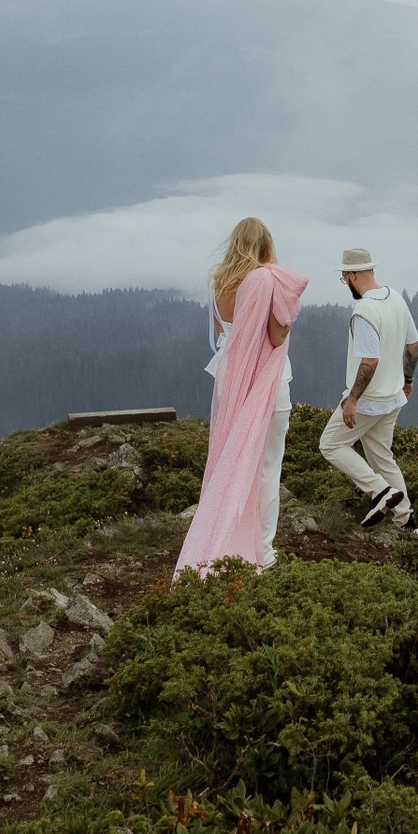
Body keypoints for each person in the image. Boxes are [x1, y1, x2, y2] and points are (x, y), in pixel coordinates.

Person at [175, 217, 306, 574]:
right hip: (266, 383)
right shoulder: (264, 281)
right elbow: (276, 337)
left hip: (229, 381)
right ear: (265, 246)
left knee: (229, 462)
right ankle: (261, 547)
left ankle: (225, 534)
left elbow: (225, 336)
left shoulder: (218, 283)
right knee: (266, 468)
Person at [317, 246, 418, 529]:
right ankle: (406, 520)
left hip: (369, 399)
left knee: (331, 444)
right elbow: (413, 345)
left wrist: (352, 400)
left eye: (344, 278)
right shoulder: (397, 299)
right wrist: (408, 381)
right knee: (382, 457)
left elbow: (369, 362)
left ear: (351, 276)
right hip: (394, 397)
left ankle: (380, 491)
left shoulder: (363, 311)